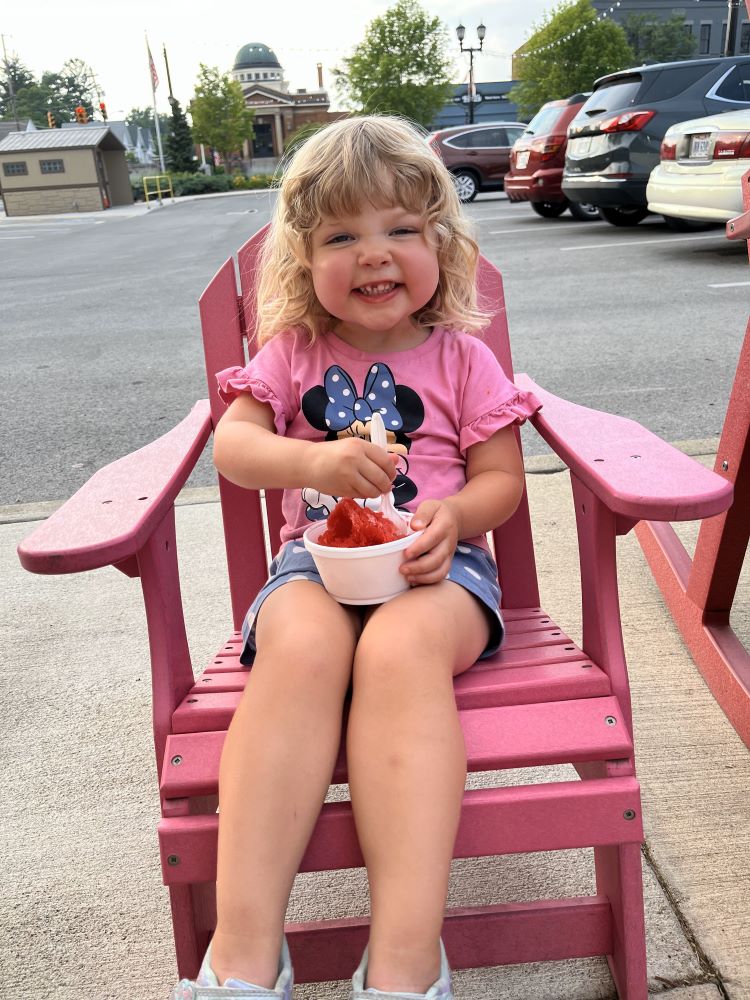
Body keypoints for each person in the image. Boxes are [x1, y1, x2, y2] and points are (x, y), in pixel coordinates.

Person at [172, 115, 541, 1000]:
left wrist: (454, 516)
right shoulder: (292, 353)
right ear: (304, 263)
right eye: (343, 235)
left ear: (440, 248)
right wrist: (311, 462)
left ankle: (406, 956)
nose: (374, 254)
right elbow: (233, 447)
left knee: (399, 648)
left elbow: (502, 479)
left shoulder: (463, 359)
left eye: (400, 229)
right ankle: (245, 950)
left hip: (435, 570)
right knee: (300, 647)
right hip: (316, 564)